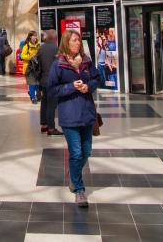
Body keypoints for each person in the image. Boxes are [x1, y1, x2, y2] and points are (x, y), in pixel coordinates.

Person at [48, 30, 101, 207]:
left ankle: (73, 175)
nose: (78, 43)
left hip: (86, 112)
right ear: (66, 43)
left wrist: (89, 86)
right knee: (76, 152)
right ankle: (79, 189)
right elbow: (52, 90)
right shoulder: (59, 64)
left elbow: (96, 79)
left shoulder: (86, 62)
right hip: (69, 114)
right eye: (74, 40)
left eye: (79, 40)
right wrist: (71, 86)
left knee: (86, 151)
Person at [37, 29, 62, 136]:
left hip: (42, 80)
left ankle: (44, 125)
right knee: (51, 105)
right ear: (54, 38)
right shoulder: (55, 49)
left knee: (44, 103)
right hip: (52, 81)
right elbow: (59, 65)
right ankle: (51, 128)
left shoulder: (40, 48)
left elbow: (38, 65)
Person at [21, 31, 40, 103]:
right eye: (34, 36)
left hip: (37, 67)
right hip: (29, 68)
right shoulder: (26, 46)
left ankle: (32, 93)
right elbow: (22, 56)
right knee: (32, 83)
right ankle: (33, 98)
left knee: (37, 84)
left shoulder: (38, 45)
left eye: (36, 36)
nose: (35, 37)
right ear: (30, 37)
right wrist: (30, 57)